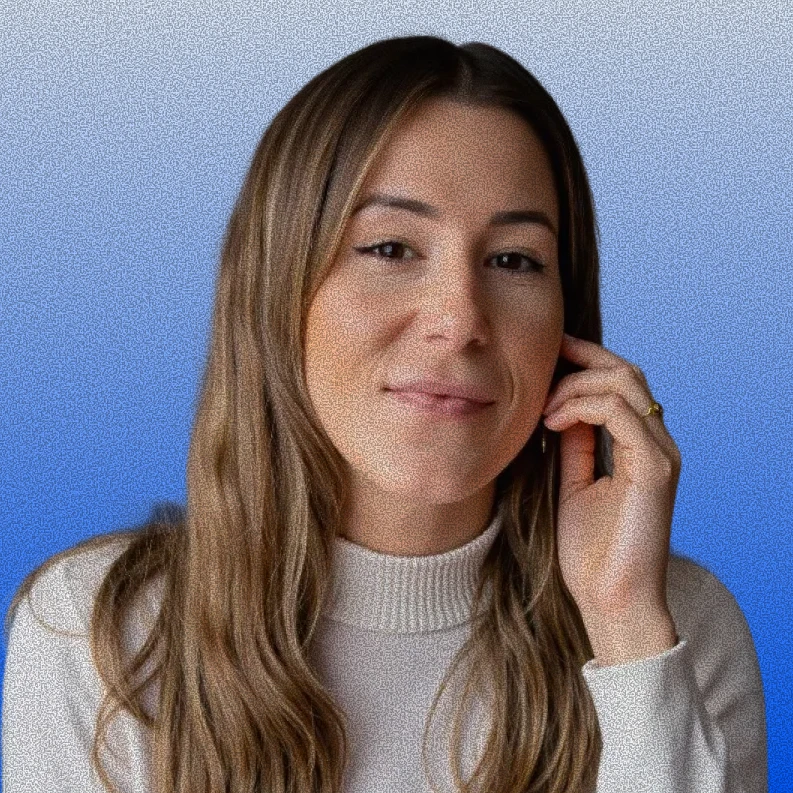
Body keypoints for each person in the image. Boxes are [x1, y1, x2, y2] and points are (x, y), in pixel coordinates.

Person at [2, 35, 767, 793]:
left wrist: (625, 625)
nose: (459, 320)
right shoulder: (97, 632)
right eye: (392, 248)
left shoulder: (672, 630)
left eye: (513, 259)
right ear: (276, 290)